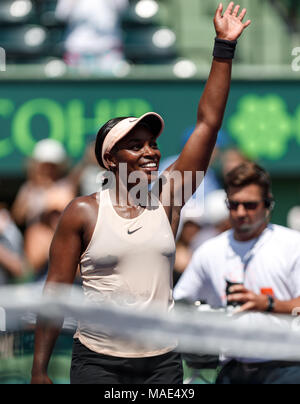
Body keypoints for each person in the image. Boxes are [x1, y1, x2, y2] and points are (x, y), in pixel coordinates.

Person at [31, 3, 251, 384]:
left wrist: (223, 48)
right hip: (98, 363)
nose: (150, 152)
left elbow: (208, 123)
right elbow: (55, 292)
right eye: (135, 145)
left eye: (152, 143)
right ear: (109, 159)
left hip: (162, 362)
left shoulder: (169, 196)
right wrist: (39, 369)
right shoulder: (82, 212)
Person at [174, 162, 300, 384]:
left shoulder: (292, 244)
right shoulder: (209, 251)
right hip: (231, 367)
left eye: (250, 205)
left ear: (268, 204)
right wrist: (202, 317)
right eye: (233, 205)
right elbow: (179, 302)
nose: (241, 212)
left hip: (287, 363)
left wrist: (268, 304)